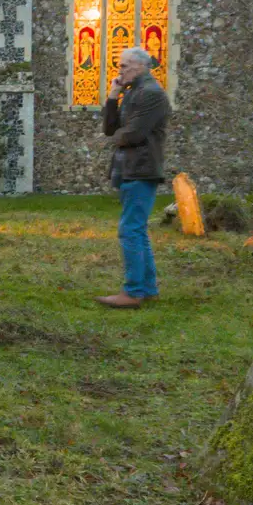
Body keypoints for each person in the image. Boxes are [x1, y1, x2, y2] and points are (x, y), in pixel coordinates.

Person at [98, 47, 170, 309]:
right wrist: (112, 97)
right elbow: (110, 130)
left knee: (130, 230)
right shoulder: (131, 93)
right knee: (136, 229)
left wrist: (119, 136)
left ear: (141, 67)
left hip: (142, 168)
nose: (120, 70)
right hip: (130, 168)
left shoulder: (151, 94)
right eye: (119, 65)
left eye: (125, 66)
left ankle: (133, 292)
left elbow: (132, 135)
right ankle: (147, 288)